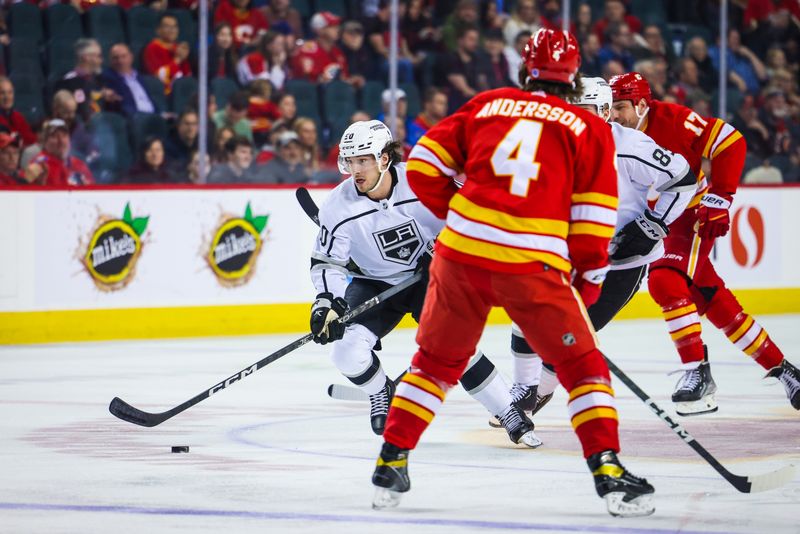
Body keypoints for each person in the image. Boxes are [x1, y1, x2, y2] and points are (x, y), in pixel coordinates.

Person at [371, 30, 655, 518]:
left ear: (525, 70)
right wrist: (587, 282)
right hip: (530, 263)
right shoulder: (588, 129)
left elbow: (422, 165)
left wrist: (459, 213)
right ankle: (607, 470)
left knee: (435, 363)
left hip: (459, 257)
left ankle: (392, 461)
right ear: (573, 78)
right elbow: (593, 221)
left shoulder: (489, 103)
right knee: (583, 366)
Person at [471, 77, 696, 425]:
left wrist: (654, 224)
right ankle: (524, 389)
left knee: (569, 335)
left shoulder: (630, 146)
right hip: (569, 255)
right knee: (528, 313)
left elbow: (682, 180)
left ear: (605, 112)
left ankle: (540, 390)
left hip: (622, 262)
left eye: (584, 111)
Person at [608, 72, 800, 414]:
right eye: (611, 107)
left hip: (687, 216)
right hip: (651, 222)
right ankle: (783, 369)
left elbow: (730, 141)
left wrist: (720, 197)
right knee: (710, 298)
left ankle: (695, 370)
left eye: (621, 107)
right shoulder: (610, 133)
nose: (614, 115)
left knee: (665, 281)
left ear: (641, 104)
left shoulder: (674, 120)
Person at [24, 119, 94, 186]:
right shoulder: (39, 164)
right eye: (54, 136)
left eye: (64, 135)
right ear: (45, 142)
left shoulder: (78, 164)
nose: (61, 141)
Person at [143, 13, 193, 95]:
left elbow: (187, 76)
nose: (172, 30)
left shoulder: (178, 48)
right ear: (158, 30)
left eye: (174, 27)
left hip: (182, 91)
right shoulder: (152, 48)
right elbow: (159, 76)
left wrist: (184, 58)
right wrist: (178, 60)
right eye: (167, 27)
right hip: (166, 92)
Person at [102, 43, 157, 117]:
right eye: (115, 58)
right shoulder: (107, 79)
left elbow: (152, 100)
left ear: (131, 57)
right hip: (134, 119)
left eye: (124, 56)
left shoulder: (141, 78)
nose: (120, 61)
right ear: (110, 60)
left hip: (154, 117)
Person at [0, 77, 36, 146]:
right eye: (2, 93)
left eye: (10, 92)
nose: (7, 97)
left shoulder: (18, 116)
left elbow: (31, 140)